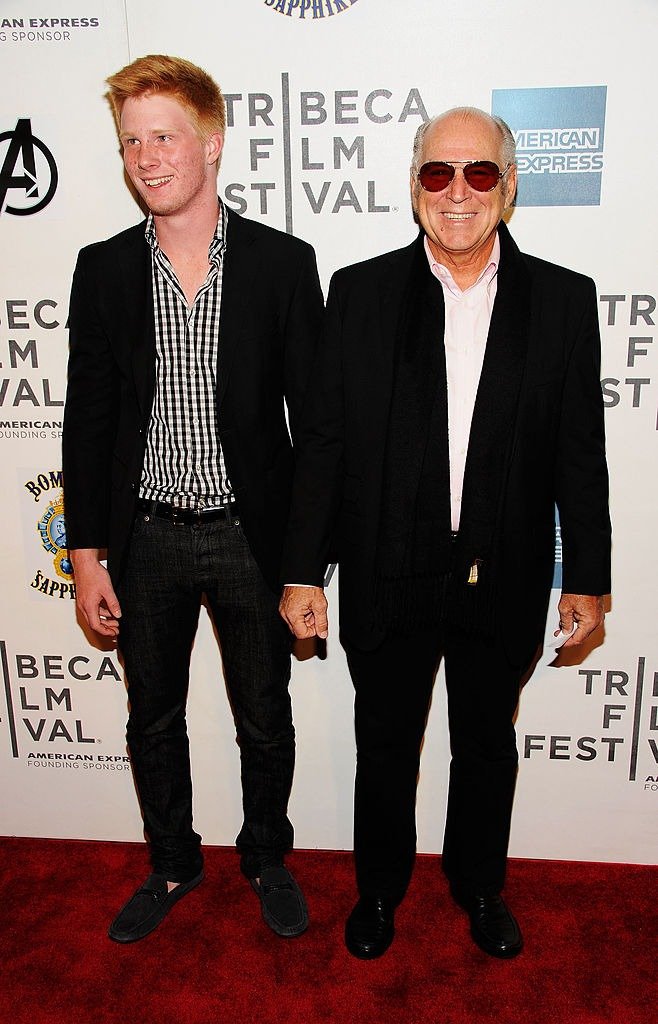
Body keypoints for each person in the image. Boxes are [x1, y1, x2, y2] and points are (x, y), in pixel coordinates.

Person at [279, 107, 610, 960]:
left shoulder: (565, 301)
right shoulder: (358, 293)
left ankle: (479, 884)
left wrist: (589, 578)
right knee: (385, 742)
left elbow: (582, 455)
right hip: (389, 567)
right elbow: (322, 443)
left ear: (507, 189)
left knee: (485, 745)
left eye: (478, 174)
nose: (456, 192)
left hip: (503, 570)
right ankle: (380, 891)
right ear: (415, 183)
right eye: (437, 172)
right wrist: (301, 570)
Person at [63, 55, 323, 944]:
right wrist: (86, 554)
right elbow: (87, 422)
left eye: (164, 136)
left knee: (265, 717)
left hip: (251, 537)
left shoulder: (284, 264)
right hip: (145, 537)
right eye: (132, 141)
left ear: (210, 144)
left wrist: (302, 563)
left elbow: (316, 428)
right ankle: (172, 860)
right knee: (150, 720)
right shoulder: (101, 270)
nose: (147, 156)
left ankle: (267, 857)